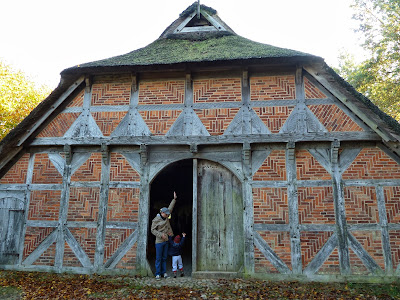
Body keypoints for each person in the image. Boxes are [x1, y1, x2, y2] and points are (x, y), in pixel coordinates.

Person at [151, 191, 177, 280]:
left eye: (167, 214)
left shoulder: (166, 216)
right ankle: (158, 274)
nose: (167, 215)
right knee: (158, 258)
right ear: (162, 213)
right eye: (166, 214)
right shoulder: (156, 220)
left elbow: (170, 208)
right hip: (159, 241)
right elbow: (152, 230)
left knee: (164, 258)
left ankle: (164, 272)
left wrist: (174, 199)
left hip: (166, 240)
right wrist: (160, 234)